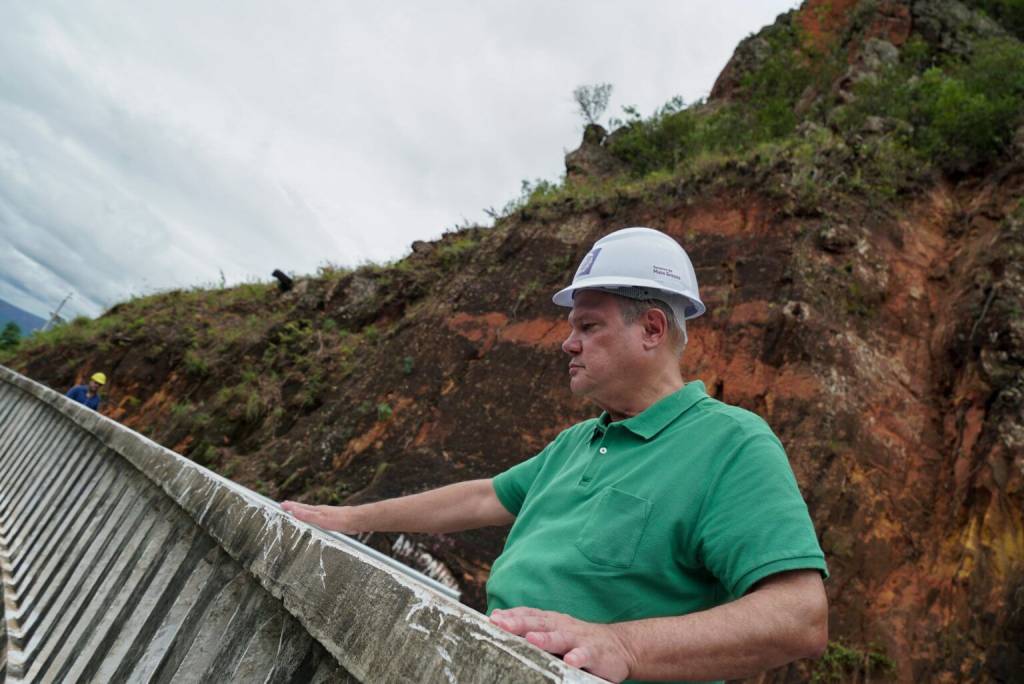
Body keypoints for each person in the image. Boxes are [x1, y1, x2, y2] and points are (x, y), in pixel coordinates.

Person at [282, 227, 828, 683]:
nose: (568, 343)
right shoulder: (578, 442)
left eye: (589, 326)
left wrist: (623, 647)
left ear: (653, 329)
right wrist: (349, 519)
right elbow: (476, 500)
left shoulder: (731, 444)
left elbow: (799, 617)